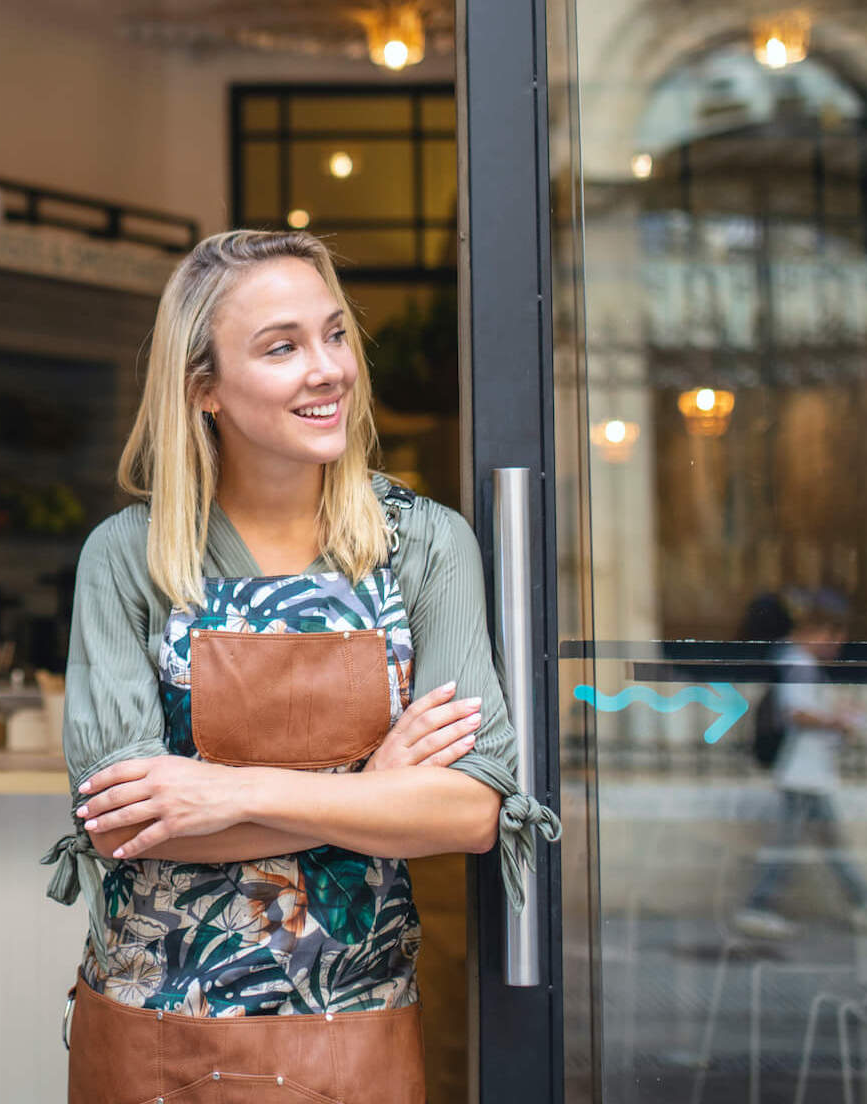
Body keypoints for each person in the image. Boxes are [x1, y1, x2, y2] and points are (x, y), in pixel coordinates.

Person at [38, 230, 560, 1103]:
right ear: (202, 387)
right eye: (282, 347)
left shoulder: (422, 545)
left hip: (351, 1020)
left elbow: (472, 811)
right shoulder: (130, 557)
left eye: (336, 334)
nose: (328, 369)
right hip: (154, 1024)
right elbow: (124, 826)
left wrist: (229, 794)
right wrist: (374, 788)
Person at [731, 588, 867, 940]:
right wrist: (838, 720)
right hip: (801, 771)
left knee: (824, 842)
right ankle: (759, 907)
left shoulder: (800, 664)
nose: (836, 646)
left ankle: (865, 902)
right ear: (817, 632)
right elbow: (796, 712)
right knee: (793, 846)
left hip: (809, 772)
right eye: (833, 637)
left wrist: (837, 716)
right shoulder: (796, 663)